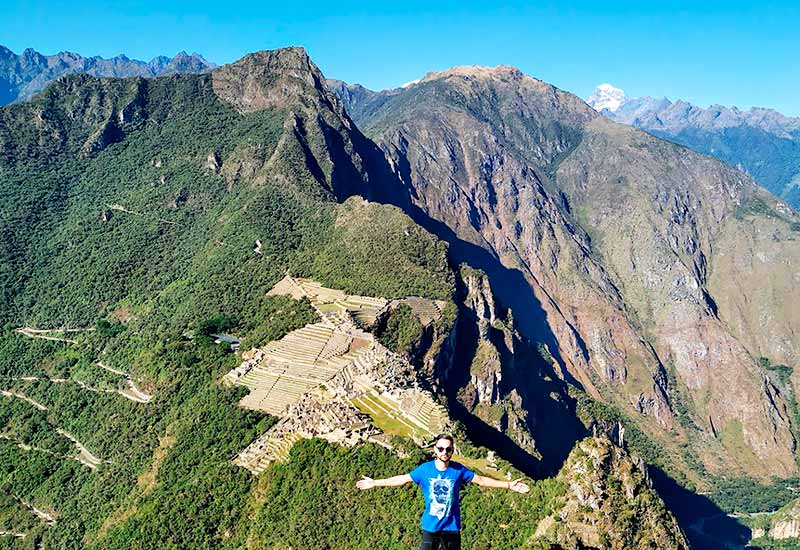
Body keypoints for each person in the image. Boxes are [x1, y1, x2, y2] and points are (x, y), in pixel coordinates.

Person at [356, 433, 530, 550]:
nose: (444, 452)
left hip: (452, 529)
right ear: (435, 450)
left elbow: (482, 480)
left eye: (448, 449)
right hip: (430, 528)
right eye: (441, 448)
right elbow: (402, 479)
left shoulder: (459, 470)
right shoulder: (424, 470)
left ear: (452, 451)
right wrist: (375, 483)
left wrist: (508, 485)